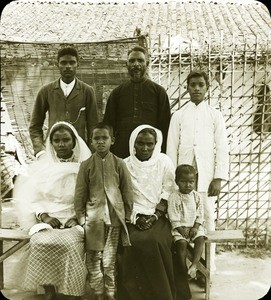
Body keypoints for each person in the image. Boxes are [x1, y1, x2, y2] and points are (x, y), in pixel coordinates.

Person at [13, 121, 91, 300]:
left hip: (75, 218)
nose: (61, 144)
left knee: (69, 244)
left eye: (66, 140)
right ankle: (49, 290)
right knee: (40, 242)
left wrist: (78, 218)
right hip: (49, 219)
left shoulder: (84, 166)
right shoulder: (44, 167)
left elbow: (92, 198)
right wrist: (45, 216)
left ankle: (73, 290)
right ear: (51, 143)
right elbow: (34, 197)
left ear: (74, 142)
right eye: (56, 140)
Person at [166, 70, 229, 273]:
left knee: (206, 217)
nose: (196, 88)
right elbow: (171, 147)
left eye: (201, 85)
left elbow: (222, 147)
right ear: (187, 87)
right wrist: (172, 180)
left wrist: (218, 178)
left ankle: (207, 269)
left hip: (206, 176)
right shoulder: (178, 115)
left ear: (207, 87)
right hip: (183, 177)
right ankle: (184, 269)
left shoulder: (214, 115)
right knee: (182, 221)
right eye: (192, 85)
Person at [73, 122, 134, 300]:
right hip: (93, 222)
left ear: (112, 140)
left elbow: (127, 191)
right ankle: (98, 293)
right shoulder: (86, 165)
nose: (100, 142)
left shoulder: (119, 164)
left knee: (109, 261)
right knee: (93, 260)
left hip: (114, 221)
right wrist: (82, 218)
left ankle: (110, 293)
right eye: (96, 138)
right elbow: (80, 194)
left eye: (104, 138)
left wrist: (127, 216)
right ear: (91, 141)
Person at [118, 124, 176, 300]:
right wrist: (135, 218)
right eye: (140, 143)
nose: (145, 148)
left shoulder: (164, 161)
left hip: (158, 215)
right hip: (132, 216)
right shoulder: (125, 164)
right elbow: (122, 196)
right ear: (133, 144)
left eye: (149, 144)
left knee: (155, 240)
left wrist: (155, 215)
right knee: (130, 242)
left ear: (156, 144)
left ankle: (160, 294)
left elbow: (169, 191)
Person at [29, 46, 98, 158]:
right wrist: (40, 150)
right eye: (63, 63)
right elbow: (35, 126)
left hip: (80, 151)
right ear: (57, 65)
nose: (68, 66)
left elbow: (93, 125)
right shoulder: (46, 91)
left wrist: (91, 151)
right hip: (52, 150)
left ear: (78, 64)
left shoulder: (87, 91)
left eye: (72, 62)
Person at [103, 45, 171, 158]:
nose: (136, 64)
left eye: (140, 60)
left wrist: (161, 152)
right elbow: (109, 125)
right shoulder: (117, 93)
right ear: (127, 65)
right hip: (122, 149)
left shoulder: (159, 92)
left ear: (147, 64)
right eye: (132, 61)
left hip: (149, 150)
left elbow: (165, 125)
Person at [168, 164, 207, 300]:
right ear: (177, 181)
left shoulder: (197, 196)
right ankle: (183, 268)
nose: (188, 185)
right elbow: (173, 215)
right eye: (184, 182)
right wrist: (180, 228)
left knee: (200, 239)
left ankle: (194, 265)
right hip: (180, 228)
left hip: (194, 227)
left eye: (191, 182)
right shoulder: (174, 196)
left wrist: (196, 227)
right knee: (181, 244)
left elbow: (200, 214)